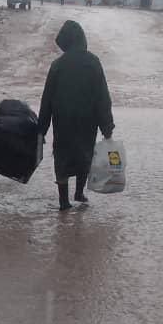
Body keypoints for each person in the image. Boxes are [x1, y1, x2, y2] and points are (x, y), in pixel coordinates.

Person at [38, 20, 114, 210]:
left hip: (63, 120)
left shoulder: (57, 65)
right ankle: (79, 193)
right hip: (87, 121)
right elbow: (102, 96)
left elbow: (46, 99)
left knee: (62, 157)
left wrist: (41, 129)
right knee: (84, 155)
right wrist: (107, 126)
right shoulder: (93, 63)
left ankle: (64, 201)